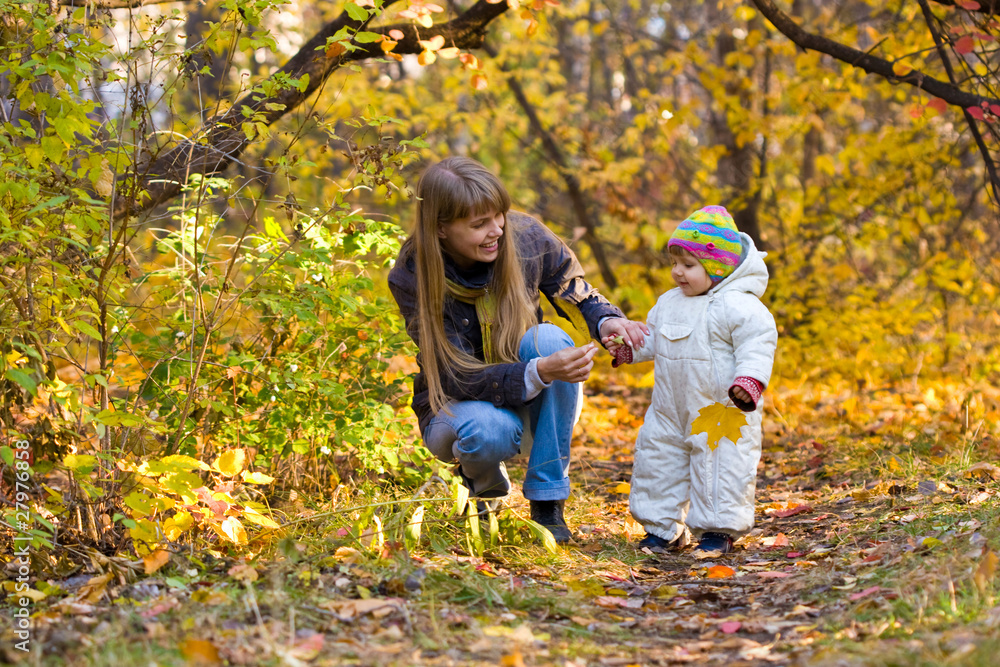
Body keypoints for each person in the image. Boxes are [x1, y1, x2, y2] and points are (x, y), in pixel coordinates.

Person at [388, 156, 648, 543]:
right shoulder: (413, 274)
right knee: (487, 429)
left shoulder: (525, 237)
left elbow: (575, 289)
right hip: (458, 408)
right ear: (440, 229)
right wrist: (540, 372)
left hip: (530, 399)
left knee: (548, 338)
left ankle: (548, 502)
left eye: (499, 216)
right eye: (479, 225)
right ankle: (484, 486)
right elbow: (454, 373)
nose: (496, 230)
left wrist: (607, 321)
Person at [605, 205, 777, 554]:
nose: (677, 273)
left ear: (717, 269)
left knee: (721, 467)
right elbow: (652, 338)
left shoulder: (739, 306)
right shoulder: (669, 303)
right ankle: (661, 528)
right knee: (658, 461)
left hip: (721, 410)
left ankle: (717, 530)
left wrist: (750, 381)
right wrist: (627, 348)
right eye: (675, 264)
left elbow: (757, 346)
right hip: (670, 408)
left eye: (688, 265)